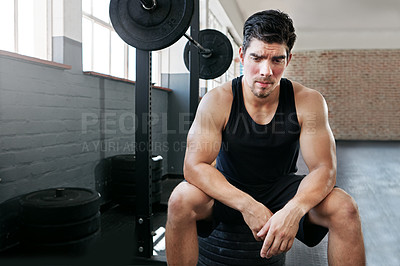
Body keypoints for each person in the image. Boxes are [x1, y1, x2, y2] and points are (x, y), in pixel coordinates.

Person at [165, 9, 365, 266]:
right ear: (241, 55)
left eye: (276, 60)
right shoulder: (218, 100)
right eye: (256, 58)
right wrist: (248, 205)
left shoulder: (308, 101)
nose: (266, 71)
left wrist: (293, 210)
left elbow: (324, 169)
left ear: (288, 59)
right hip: (228, 188)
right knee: (181, 199)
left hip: (281, 189)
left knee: (344, 208)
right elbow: (194, 166)